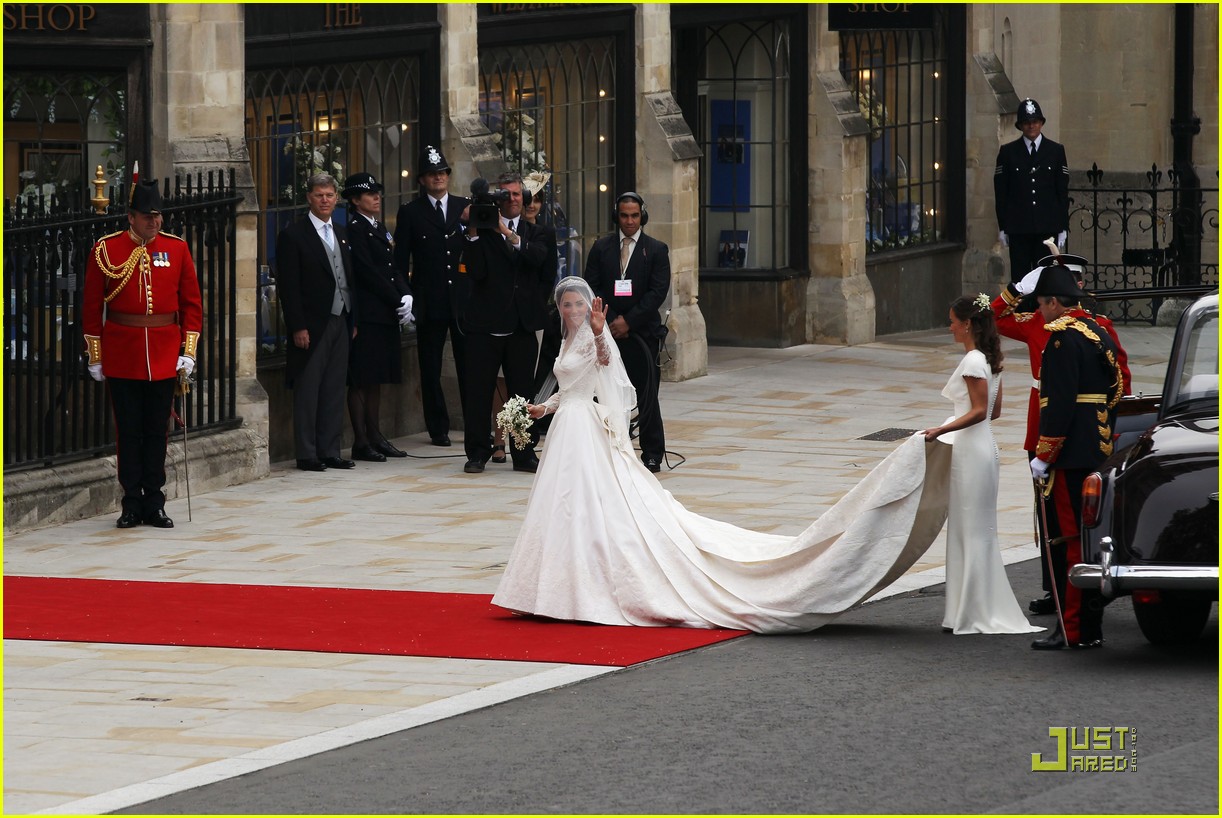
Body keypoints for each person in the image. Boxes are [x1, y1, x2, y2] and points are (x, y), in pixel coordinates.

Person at [492, 278, 957, 633]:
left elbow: (606, 368)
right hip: (568, 427)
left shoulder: (593, 337)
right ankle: (553, 587)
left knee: (586, 505)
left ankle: (581, 587)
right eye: (567, 305)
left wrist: (599, 334)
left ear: (589, 307)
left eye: (579, 304)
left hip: (585, 433)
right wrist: (540, 408)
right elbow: (572, 389)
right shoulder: (562, 341)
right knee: (562, 506)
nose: (573, 310)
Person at [991, 247, 1131, 614]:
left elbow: (1120, 381)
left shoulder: (1099, 326)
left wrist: (1103, 426)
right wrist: (1015, 290)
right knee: (1049, 518)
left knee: (1078, 519)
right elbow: (990, 319)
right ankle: (1055, 589)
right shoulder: (1038, 320)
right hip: (1043, 425)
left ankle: (1082, 595)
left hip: (1077, 433)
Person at [82, 179, 203, 528]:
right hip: (123, 353)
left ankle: (155, 500)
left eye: (158, 216)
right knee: (129, 430)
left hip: (163, 354)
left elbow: (191, 305)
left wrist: (188, 351)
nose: (155, 222)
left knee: (156, 431)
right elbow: (92, 306)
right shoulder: (106, 249)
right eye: (148, 216)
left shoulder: (176, 248)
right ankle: (131, 501)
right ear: (131, 217)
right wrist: (95, 354)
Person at [921, 295, 1041, 635]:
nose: (950, 327)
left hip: (971, 451)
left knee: (969, 529)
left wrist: (941, 429)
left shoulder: (974, 360)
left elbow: (977, 411)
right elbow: (994, 411)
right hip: (983, 446)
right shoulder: (990, 359)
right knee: (978, 529)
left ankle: (970, 611)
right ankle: (973, 607)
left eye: (952, 322)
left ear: (967, 324)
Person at [1028, 266, 1125, 650]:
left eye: (1041, 304)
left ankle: (1073, 628)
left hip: (1069, 455)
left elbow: (1059, 403)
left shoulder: (1061, 339)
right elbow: (1116, 388)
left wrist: (1045, 453)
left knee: (1071, 542)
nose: (1040, 312)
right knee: (1092, 540)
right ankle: (1089, 626)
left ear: (1054, 302)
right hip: (1096, 446)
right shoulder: (1097, 330)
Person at [460, 172, 552, 474]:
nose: (511, 199)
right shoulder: (482, 231)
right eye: (504, 194)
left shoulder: (537, 232)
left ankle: (523, 453)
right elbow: (474, 272)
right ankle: (477, 453)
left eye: (515, 194)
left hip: (522, 325)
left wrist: (506, 232)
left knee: (522, 393)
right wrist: (474, 230)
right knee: (478, 392)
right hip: (484, 325)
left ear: (523, 198)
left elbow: (541, 263)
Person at [276, 173, 358, 472]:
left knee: (334, 388)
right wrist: (298, 326)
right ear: (309, 198)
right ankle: (307, 453)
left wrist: (353, 319)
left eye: (329, 195)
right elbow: (289, 286)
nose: (325, 200)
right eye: (319, 195)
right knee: (309, 389)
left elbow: (349, 278)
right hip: (312, 324)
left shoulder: (342, 232)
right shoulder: (294, 235)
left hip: (341, 318)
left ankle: (330, 450)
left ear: (336, 199)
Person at [584, 191, 670, 472]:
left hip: (642, 333)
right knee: (605, 393)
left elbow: (657, 292)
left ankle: (652, 452)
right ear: (616, 217)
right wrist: (609, 321)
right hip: (607, 332)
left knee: (647, 394)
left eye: (634, 215)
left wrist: (629, 322)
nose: (630, 221)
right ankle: (607, 447)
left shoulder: (656, 250)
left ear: (642, 216)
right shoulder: (601, 248)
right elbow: (591, 285)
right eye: (624, 216)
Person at [393, 145, 471, 448]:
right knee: (430, 367)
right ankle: (438, 427)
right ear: (422, 180)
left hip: (462, 301)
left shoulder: (465, 206)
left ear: (448, 176)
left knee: (470, 366)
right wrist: (406, 295)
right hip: (429, 300)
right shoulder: (411, 212)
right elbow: (400, 261)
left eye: (442, 172)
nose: (438, 177)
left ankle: (475, 425)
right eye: (431, 174)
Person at [341, 172, 413, 463]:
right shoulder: (355, 229)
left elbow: (392, 267)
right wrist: (396, 298)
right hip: (369, 313)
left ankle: (375, 436)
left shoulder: (378, 227)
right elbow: (367, 272)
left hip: (385, 312)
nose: (376, 198)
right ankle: (361, 440)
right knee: (362, 379)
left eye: (377, 193)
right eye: (370, 194)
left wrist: (406, 294)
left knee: (377, 378)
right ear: (355, 200)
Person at [993, 98, 1070, 283]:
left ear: (1041, 123)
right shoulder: (1008, 152)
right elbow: (1001, 192)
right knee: (1020, 280)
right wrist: (1003, 226)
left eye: (1035, 121)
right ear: (1020, 125)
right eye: (1027, 122)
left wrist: (1062, 226)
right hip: (1019, 227)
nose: (1031, 126)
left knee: (1045, 279)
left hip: (1047, 227)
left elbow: (1062, 191)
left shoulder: (1056, 151)